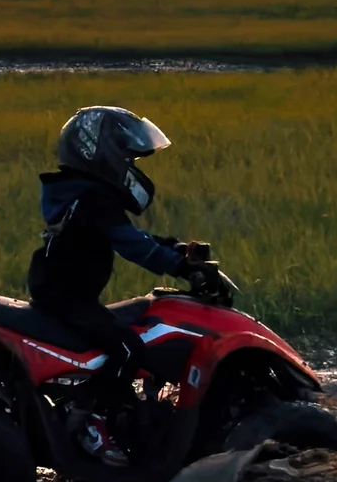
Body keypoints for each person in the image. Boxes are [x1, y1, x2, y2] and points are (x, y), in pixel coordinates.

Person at [28, 106, 214, 461]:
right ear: (100, 154)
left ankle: (118, 411)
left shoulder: (81, 193)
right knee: (127, 348)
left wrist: (172, 247)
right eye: (128, 157)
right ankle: (90, 422)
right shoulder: (91, 199)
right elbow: (132, 245)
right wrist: (178, 265)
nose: (131, 165)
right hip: (67, 297)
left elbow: (130, 234)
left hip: (61, 292)